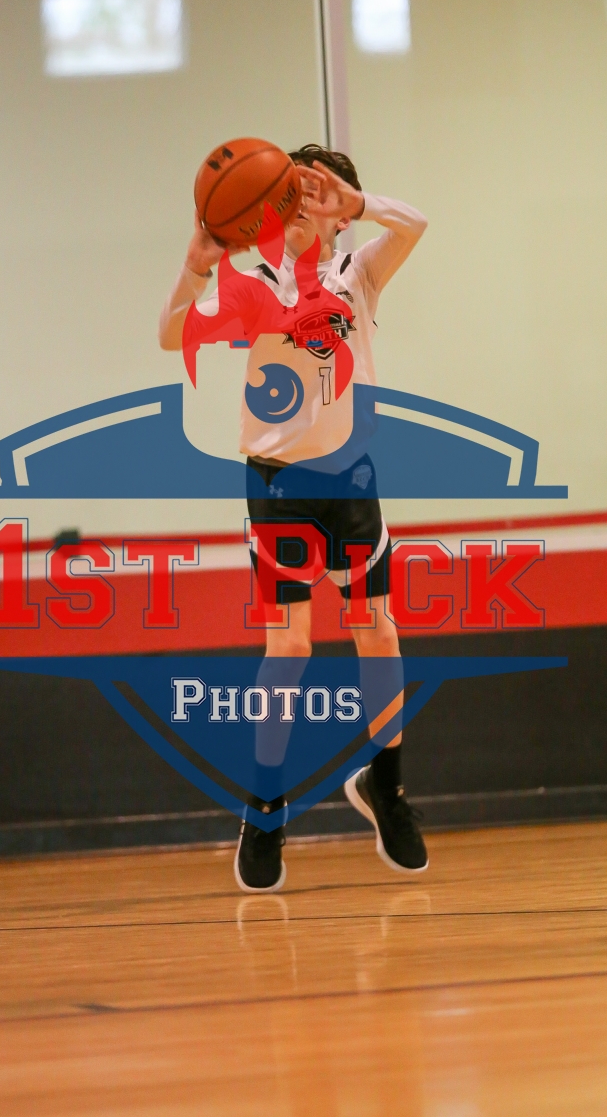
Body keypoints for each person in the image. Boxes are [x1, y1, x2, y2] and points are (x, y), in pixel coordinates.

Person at [159, 144, 428, 891]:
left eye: (320, 193)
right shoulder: (253, 287)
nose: (306, 204)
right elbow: (170, 333)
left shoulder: (359, 276)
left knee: (377, 630)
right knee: (291, 644)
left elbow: (416, 223)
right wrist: (196, 264)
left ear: (338, 211)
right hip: (279, 484)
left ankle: (386, 785)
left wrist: (361, 201)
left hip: (352, 479)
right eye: (295, 192)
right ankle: (265, 807)